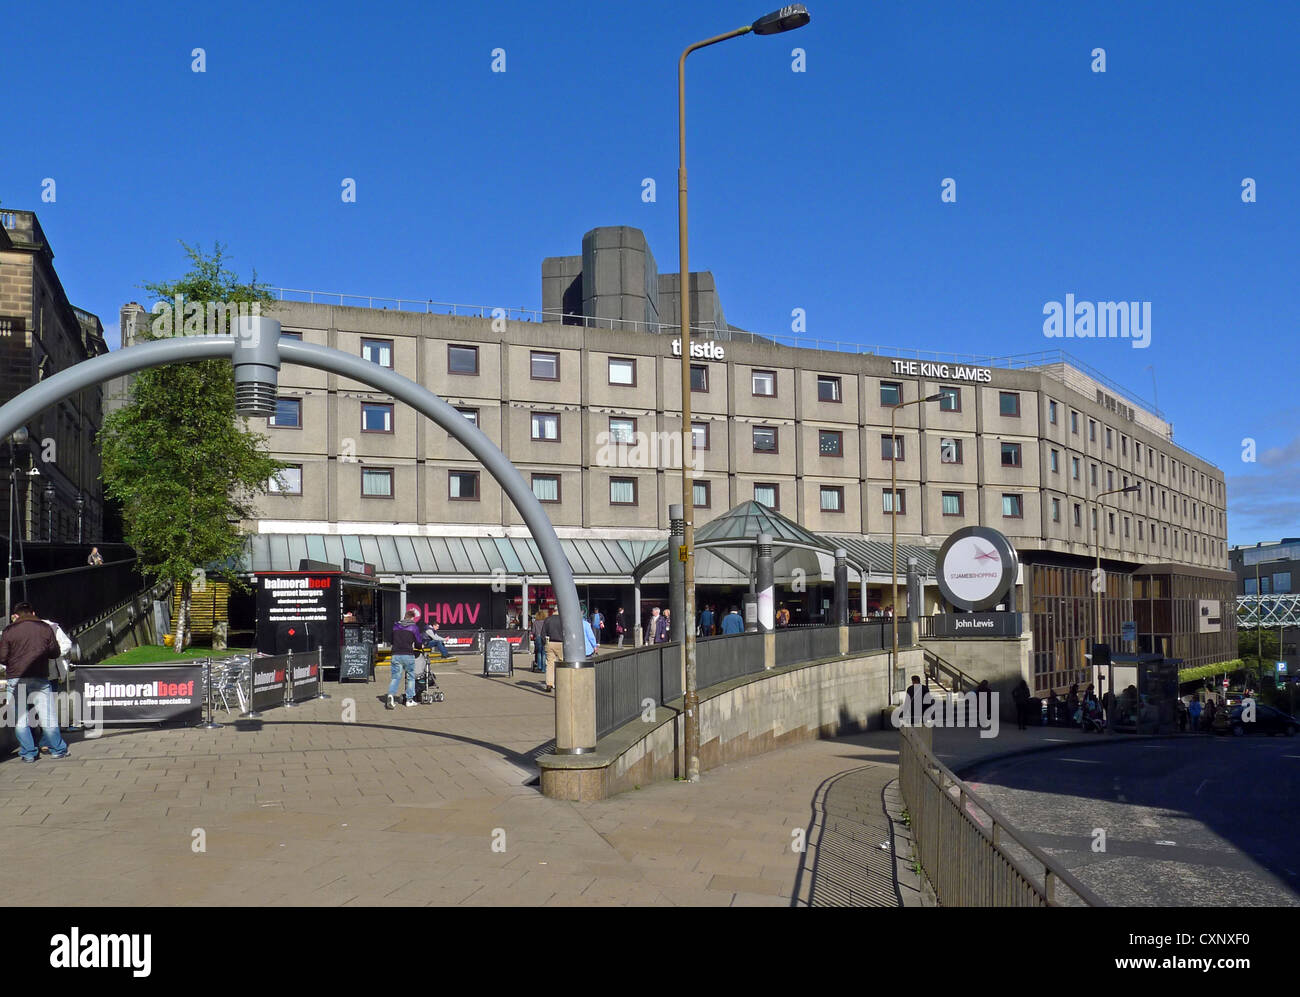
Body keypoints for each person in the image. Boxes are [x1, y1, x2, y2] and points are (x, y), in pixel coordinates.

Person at [0, 602, 67, 761]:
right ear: (33, 612)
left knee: (20, 719)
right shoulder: (45, 628)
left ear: (16, 615)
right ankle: (58, 749)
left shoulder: (9, 631)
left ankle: (28, 753)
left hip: (16, 678)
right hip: (39, 676)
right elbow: (55, 652)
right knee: (47, 715)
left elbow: (2, 657)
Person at [387, 611, 421, 710]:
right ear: (411, 618)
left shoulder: (396, 626)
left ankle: (391, 695)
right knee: (410, 677)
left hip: (396, 654)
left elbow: (391, 640)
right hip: (408, 654)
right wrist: (419, 646)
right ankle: (409, 700)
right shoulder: (414, 627)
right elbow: (418, 643)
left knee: (395, 677)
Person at [543, 608, 564, 693]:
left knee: (550, 664)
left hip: (550, 642)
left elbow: (543, 633)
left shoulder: (548, 619)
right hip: (561, 643)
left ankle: (549, 683)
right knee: (562, 663)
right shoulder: (563, 619)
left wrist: (545, 643)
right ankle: (561, 682)